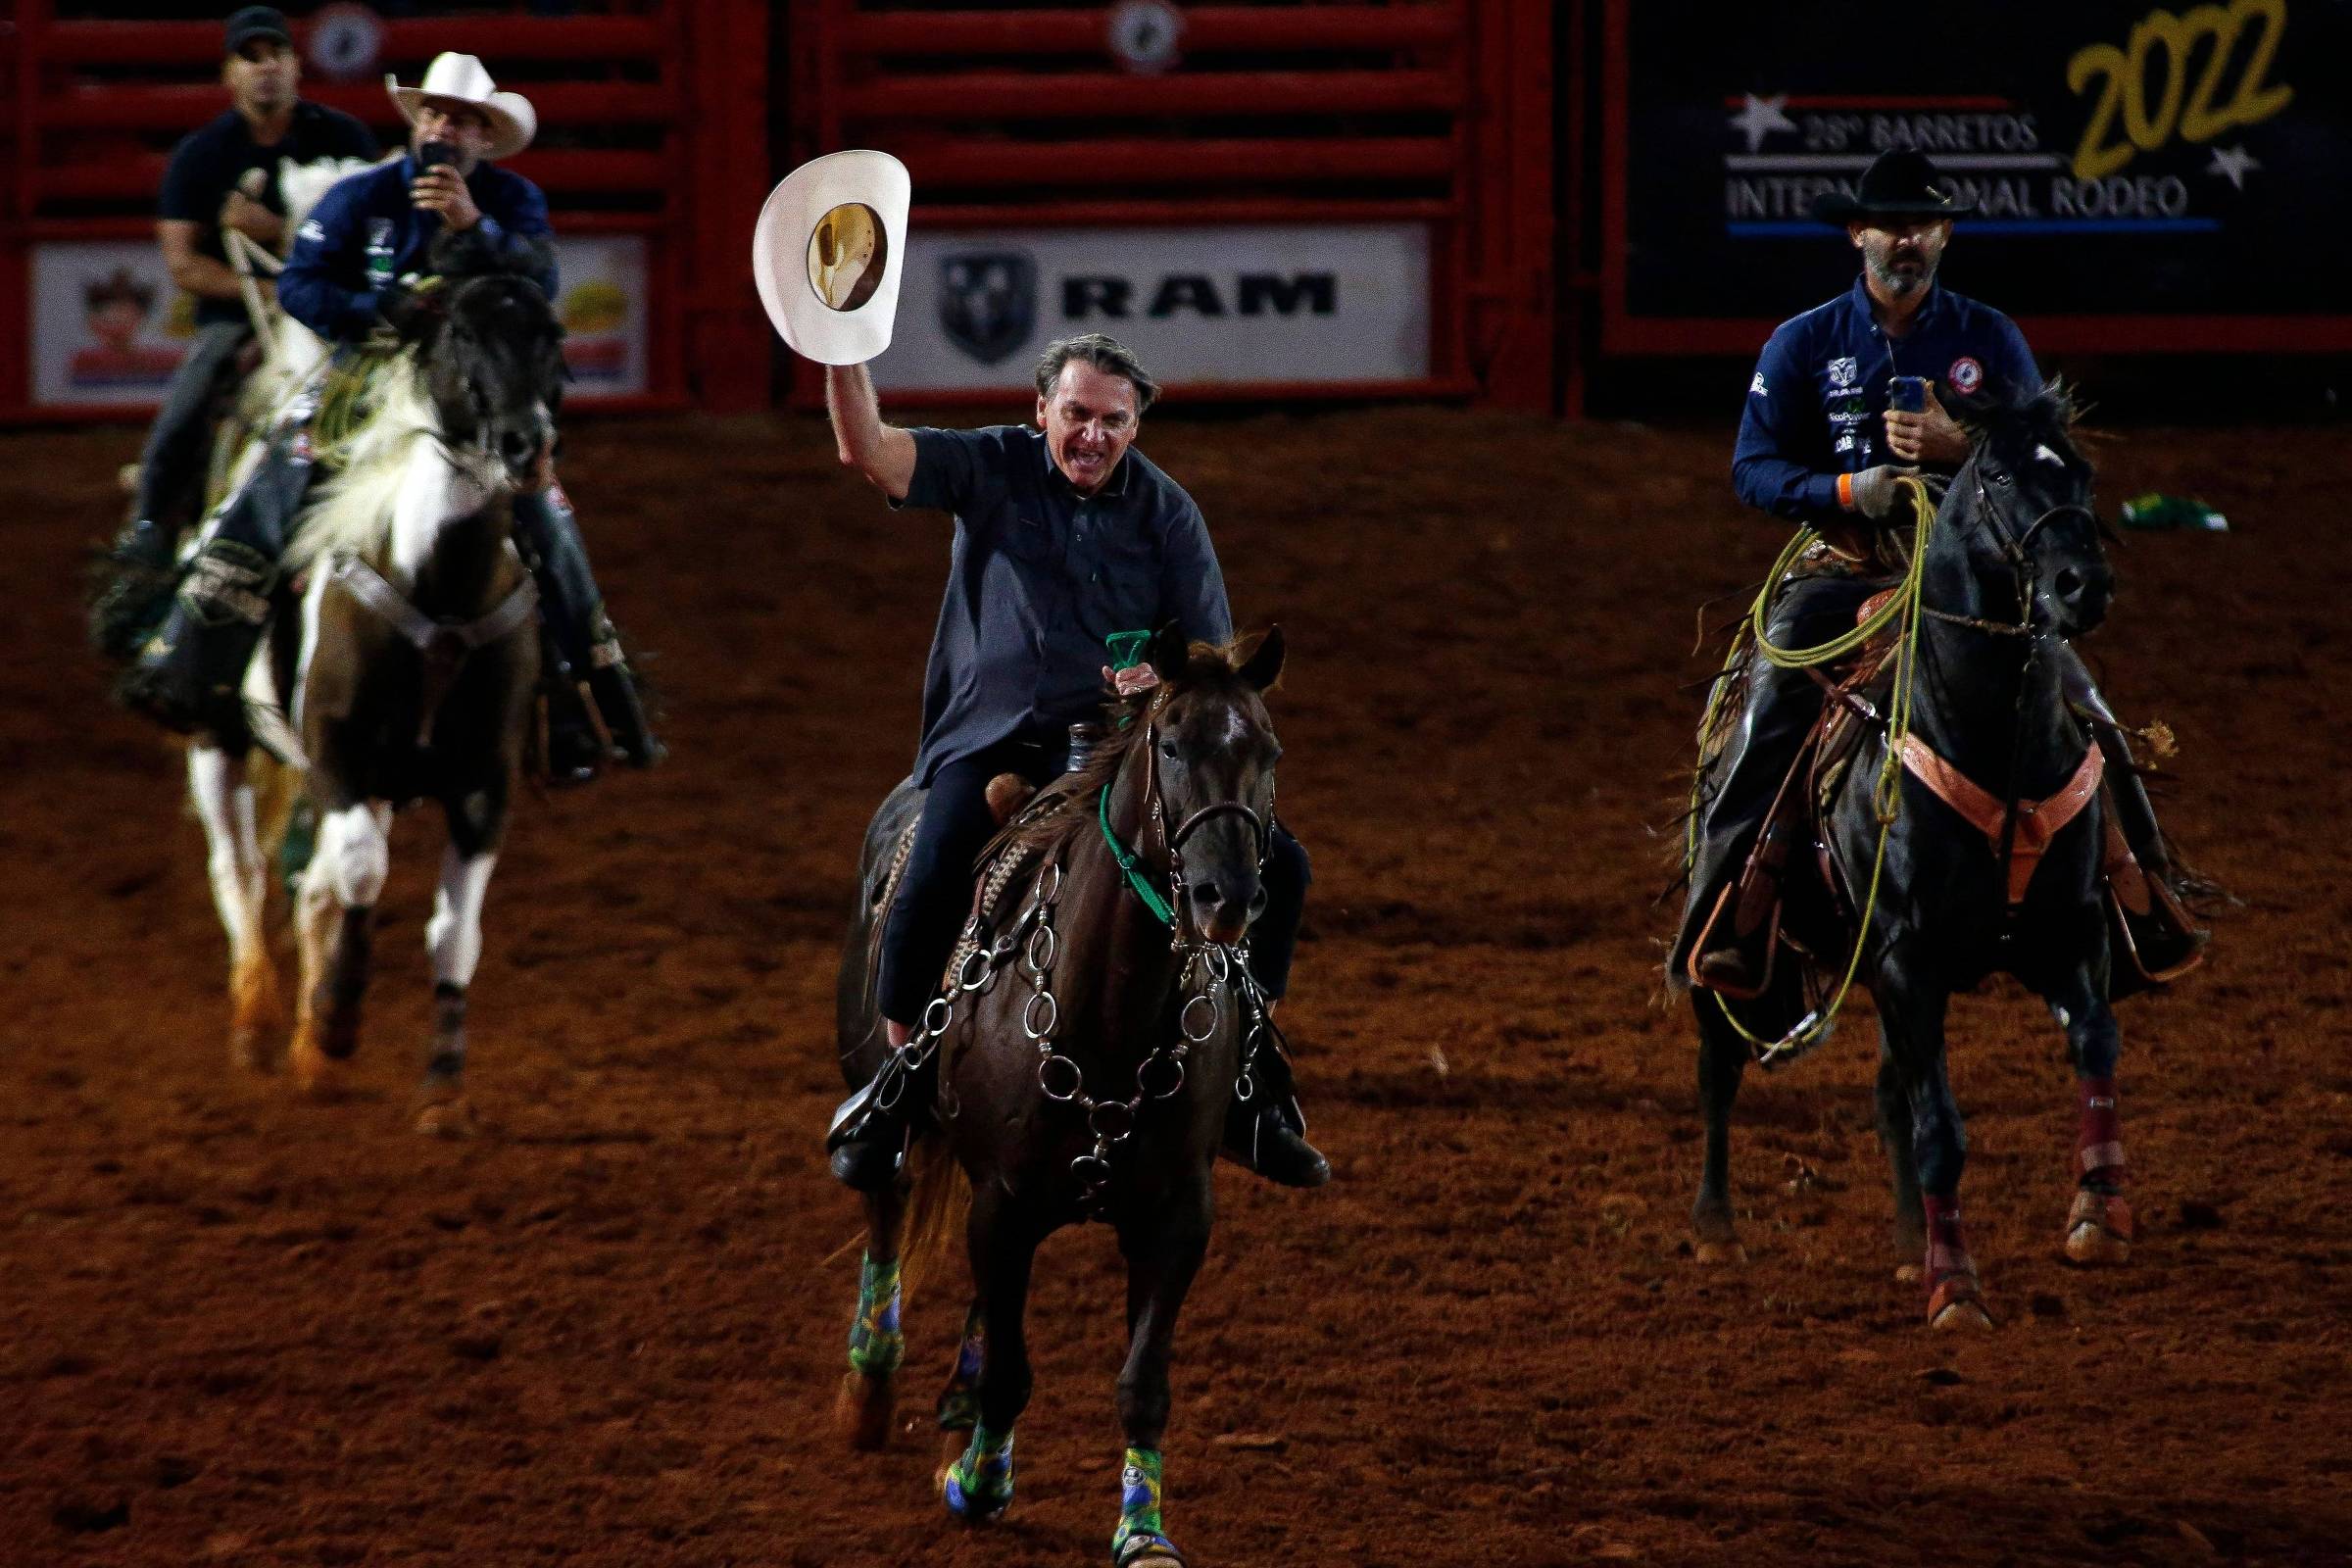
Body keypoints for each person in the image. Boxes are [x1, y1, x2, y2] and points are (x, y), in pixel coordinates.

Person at [1679, 149, 2203, 993]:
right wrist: (1853, 488)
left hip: (1972, 583)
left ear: (1945, 235)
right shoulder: (1803, 342)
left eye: (1921, 226)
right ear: (1858, 234)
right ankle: (1729, 907)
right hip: (1845, 569)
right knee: (1772, 706)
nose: (1905, 241)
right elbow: (1753, 468)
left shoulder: (1989, 336)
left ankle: (2144, 893)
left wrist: (1966, 450)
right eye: (1889, 226)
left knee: (2082, 704)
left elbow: (2044, 455)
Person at [821, 333, 1327, 1191]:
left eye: (1114, 421)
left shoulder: (1168, 513)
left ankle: (1249, 1087)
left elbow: (1207, 654)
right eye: (1078, 414)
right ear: (1042, 411)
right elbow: (868, 450)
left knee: (1281, 867)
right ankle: (897, 1085)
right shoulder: (989, 466)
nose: (1093, 435)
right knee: (933, 868)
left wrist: (1158, 680)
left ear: (1136, 427)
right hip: (989, 741)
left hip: (1114, 747)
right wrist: (842, 349)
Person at [122, 51, 659, 781]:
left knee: (545, 516)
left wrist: (473, 230)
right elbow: (303, 286)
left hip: (470, 391)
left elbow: (538, 282)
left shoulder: (510, 200)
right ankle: (191, 655)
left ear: (484, 138)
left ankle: (592, 695)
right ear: (418, 121)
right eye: (436, 114)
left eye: (464, 121)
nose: (446, 129)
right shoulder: (359, 197)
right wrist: (378, 308)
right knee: (280, 471)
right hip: (367, 373)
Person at [95, 7, 376, 650]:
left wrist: (275, 236)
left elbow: (373, 234)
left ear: (297, 65)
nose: (266, 67)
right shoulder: (202, 156)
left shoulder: (345, 140)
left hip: (334, 310)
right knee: (187, 406)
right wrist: (271, 290)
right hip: (239, 318)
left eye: (276, 53)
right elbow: (183, 263)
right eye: (251, 56)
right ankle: (145, 540)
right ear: (230, 73)